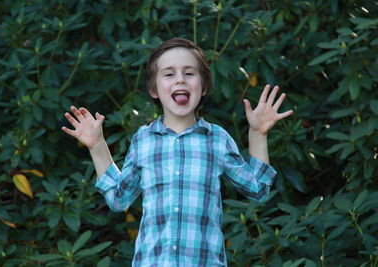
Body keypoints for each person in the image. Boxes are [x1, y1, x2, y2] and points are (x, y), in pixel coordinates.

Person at [62, 38, 293, 267]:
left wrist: (258, 133)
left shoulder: (217, 139)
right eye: (169, 74)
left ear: (204, 87)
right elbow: (118, 199)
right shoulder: (143, 139)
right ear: (154, 89)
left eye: (189, 73)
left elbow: (258, 190)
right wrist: (97, 145)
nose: (180, 79)